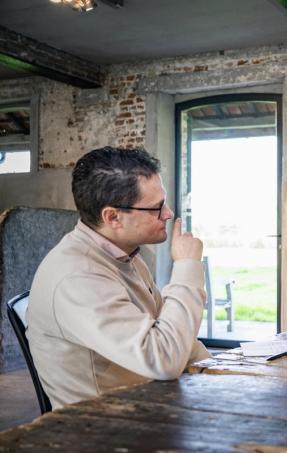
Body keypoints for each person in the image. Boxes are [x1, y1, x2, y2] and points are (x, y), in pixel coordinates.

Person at [27, 147, 210, 409]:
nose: (168, 214)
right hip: (105, 427)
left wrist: (219, 368)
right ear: (112, 217)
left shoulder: (125, 254)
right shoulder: (77, 277)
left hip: (150, 403)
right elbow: (164, 359)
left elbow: (169, 331)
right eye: (157, 208)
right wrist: (187, 266)